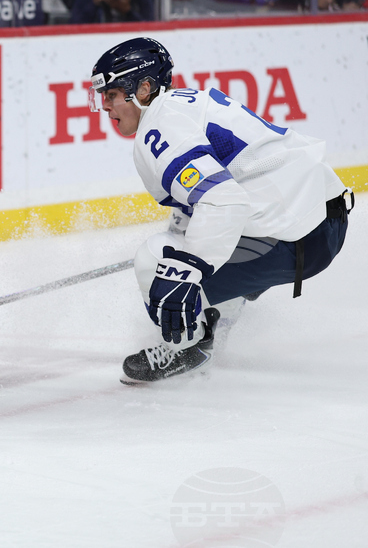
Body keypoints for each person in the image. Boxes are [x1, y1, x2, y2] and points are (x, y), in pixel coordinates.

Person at [88, 38, 352, 384]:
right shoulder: (186, 103)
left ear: (144, 87)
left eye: (111, 94)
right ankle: (217, 320)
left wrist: (186, 269)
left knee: (155, 263)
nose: (105, 106)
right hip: (320, 218)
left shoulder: (159, 126)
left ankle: (187, 347)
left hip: (294, 233)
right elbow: (209, 200)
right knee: (193, 241)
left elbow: (223, 201)